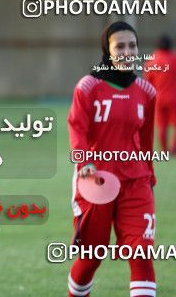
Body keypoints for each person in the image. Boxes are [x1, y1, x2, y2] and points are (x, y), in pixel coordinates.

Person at [67, 21, 157, 297]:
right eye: (120, 46)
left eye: (132, 46)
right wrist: (84, 162)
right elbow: (77, 126)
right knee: (92, 256)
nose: (127, 52)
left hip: (136, 182)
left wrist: (150, 177)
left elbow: (145, 141)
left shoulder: (147, 91)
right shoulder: (89, 86)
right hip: (97, 182)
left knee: (141, 253)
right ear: (107, 50)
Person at [144, 35, 176, 153]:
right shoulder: (174, 59)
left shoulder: (151, 61)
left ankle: (164, 149)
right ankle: (174, 148)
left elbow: (148, 82)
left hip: (159, 98)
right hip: (174, 97)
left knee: (161, 125)